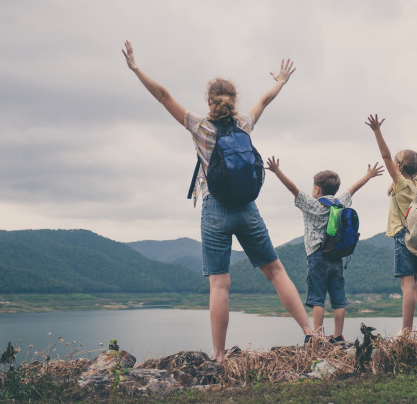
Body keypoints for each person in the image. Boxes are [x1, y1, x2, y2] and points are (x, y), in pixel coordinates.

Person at [122, 40, 313, 362]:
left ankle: (220, 355)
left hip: (215, 209)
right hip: (247, 208)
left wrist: (136, 68)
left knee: (220, 285)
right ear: (234, 101)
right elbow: (265, 99)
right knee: (276, 271)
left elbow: (163, 96)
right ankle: (311, 334)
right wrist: (280, 80)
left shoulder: (200, 128)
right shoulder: (244, 124)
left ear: (209, 101)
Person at [265, 157, 384, 344]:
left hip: (316, 256)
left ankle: (318, 336)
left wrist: (277, 171)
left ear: (317, 189)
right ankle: (338, 336)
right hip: (336, 256)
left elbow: (293, 189)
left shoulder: (311, 205)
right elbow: (353, 189)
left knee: (317, 299)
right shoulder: (340, 202)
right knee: (339, 299)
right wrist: (368, 175)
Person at [366, 114, 417, 336]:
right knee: (415, 283)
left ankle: (406, 333)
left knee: (407, 286)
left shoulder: (400, 183)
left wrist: (377, 131)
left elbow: (385, 155)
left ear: (398, 167)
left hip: (403, 236)